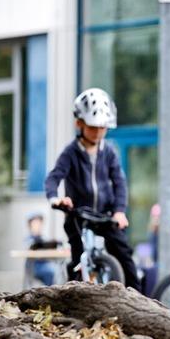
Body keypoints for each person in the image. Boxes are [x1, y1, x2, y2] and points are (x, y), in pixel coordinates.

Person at [44, 88, 141, 291]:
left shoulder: (110, 152)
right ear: (79, 123)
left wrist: (119, 211)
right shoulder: (70, 153)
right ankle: (74, 293)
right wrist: (55, 199)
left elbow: (119, 183)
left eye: (102, 128)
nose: (97, 133)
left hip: (105, 215)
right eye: (92, 127)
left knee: (124, 255)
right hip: (78, 214)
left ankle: (140, 298)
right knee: (77, 256)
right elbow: (54, 177)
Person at [25, 212, 60, 286]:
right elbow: (28, 251)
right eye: (35, 223)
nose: (38, 225)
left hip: (46, 263)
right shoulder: (28, 239)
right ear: (30, 224)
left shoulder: (44, 238)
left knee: (58, 269)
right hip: (34, 266)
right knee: (51, 271)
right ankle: (50, 291)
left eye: (39, 223)